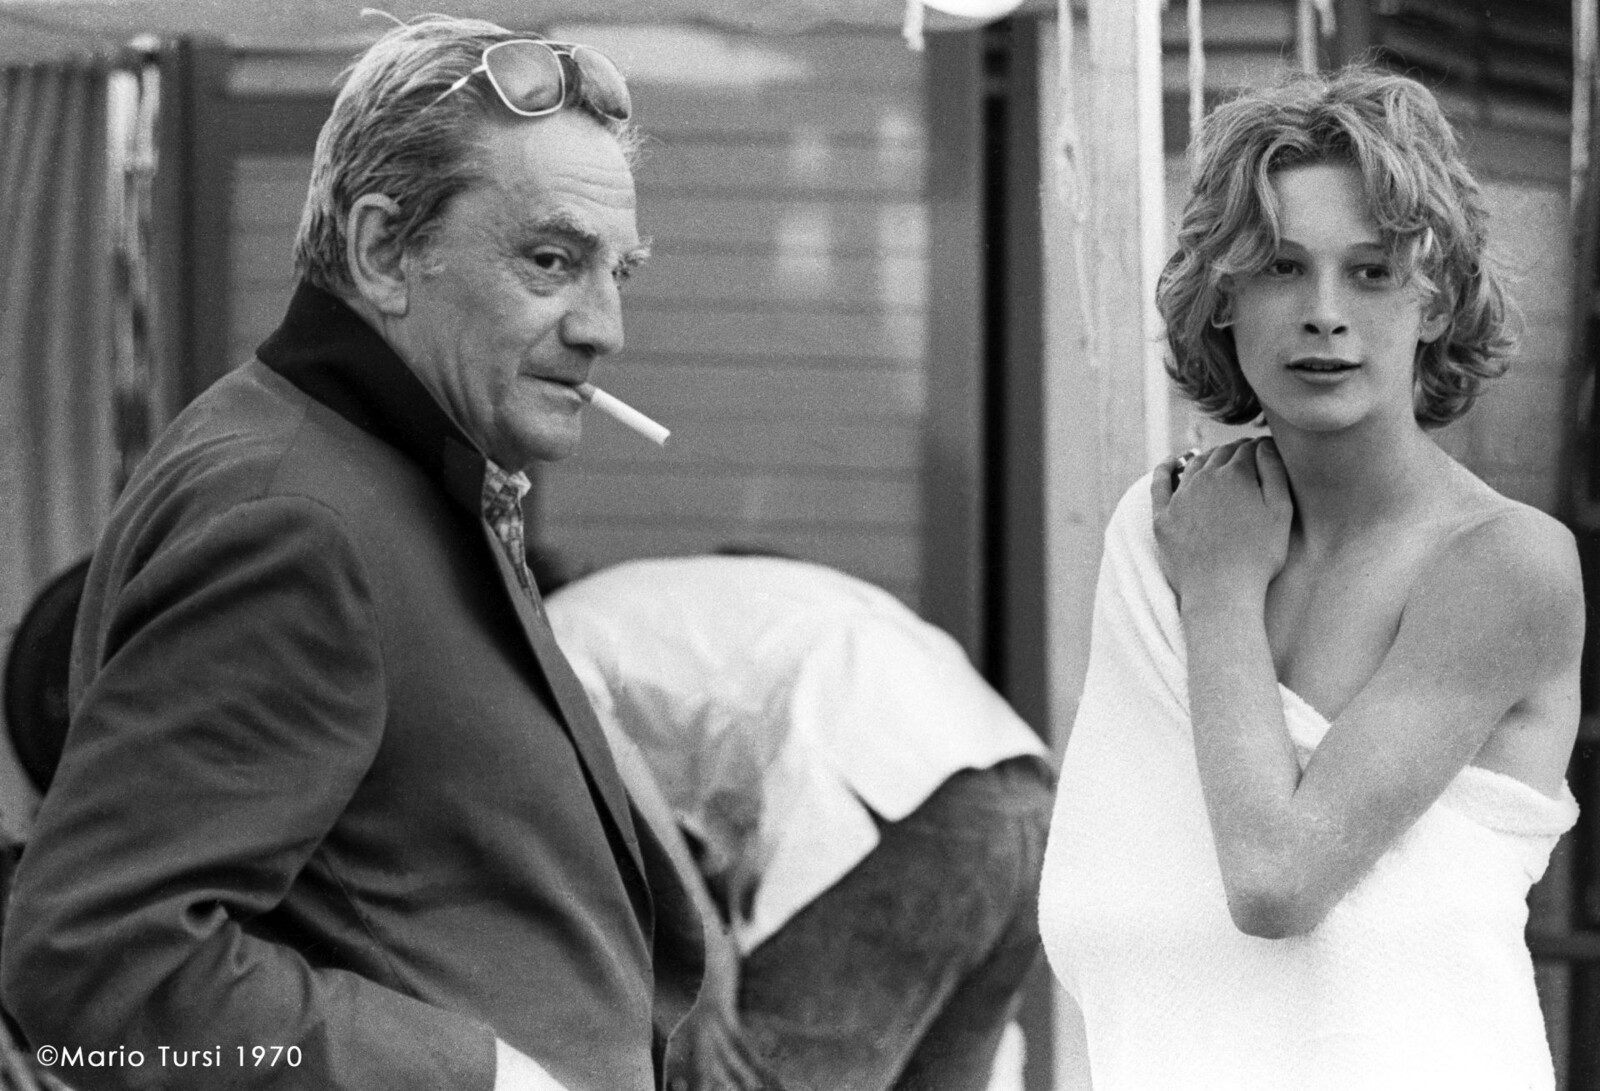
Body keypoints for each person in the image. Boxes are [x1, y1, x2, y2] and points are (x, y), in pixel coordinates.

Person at [0, 16, 703, 1091]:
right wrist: (484, 1078)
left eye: (621, 272)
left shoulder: (381, 469)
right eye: (551, 260)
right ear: (382, 252)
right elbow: (97, 963)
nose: (604, 325)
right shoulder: (294, 514)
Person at [1038, 66, 1584, 1090]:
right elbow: (1108, 897)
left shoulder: (1505, 561)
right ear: (1223, 296)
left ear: (1435, 299)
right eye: (1281, 268)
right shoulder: (1157, 534)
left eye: (1371, 272)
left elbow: (1275, 882)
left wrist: (1222, 590)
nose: (1324, 313)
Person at [539, 552, 1056, 1091]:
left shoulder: (544, 637)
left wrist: (704, 963)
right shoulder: (657, 603)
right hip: (1021, 791)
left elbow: (609, 763)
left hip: (897, 793)